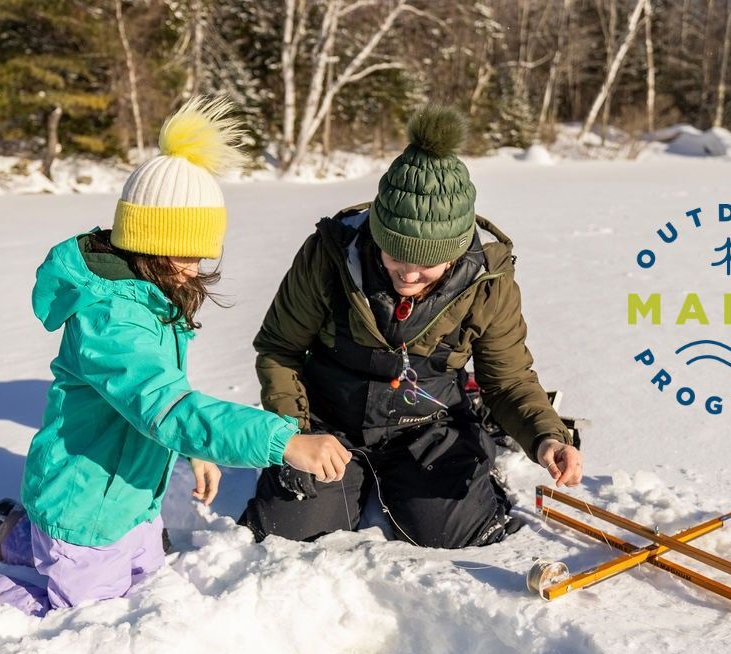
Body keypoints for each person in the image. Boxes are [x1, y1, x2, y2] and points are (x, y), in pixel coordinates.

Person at [0, 98, 351, 615]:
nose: (196, 266)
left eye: (202, 251)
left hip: (129, 499)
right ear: (150, 241)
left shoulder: (149, 293)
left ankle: (12, 532)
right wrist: (284, 441)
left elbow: (164, 393)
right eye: (186, 251)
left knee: (141, 579)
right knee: (81, 615)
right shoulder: (113, 320)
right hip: (86, 506)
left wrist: (195, 449)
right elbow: (167, 408)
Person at [240, 105, 583, 550]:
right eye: (395, 257)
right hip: (329, 421)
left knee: (454, 532)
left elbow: (510, 378)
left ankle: (482, 444)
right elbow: (279, 350)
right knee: (290, 533)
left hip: (428, 423)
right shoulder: (328, 256)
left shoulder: (488, 283)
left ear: (457, 253)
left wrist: (546, 438)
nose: (409, 275)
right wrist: (294, 435)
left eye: (428, 265)